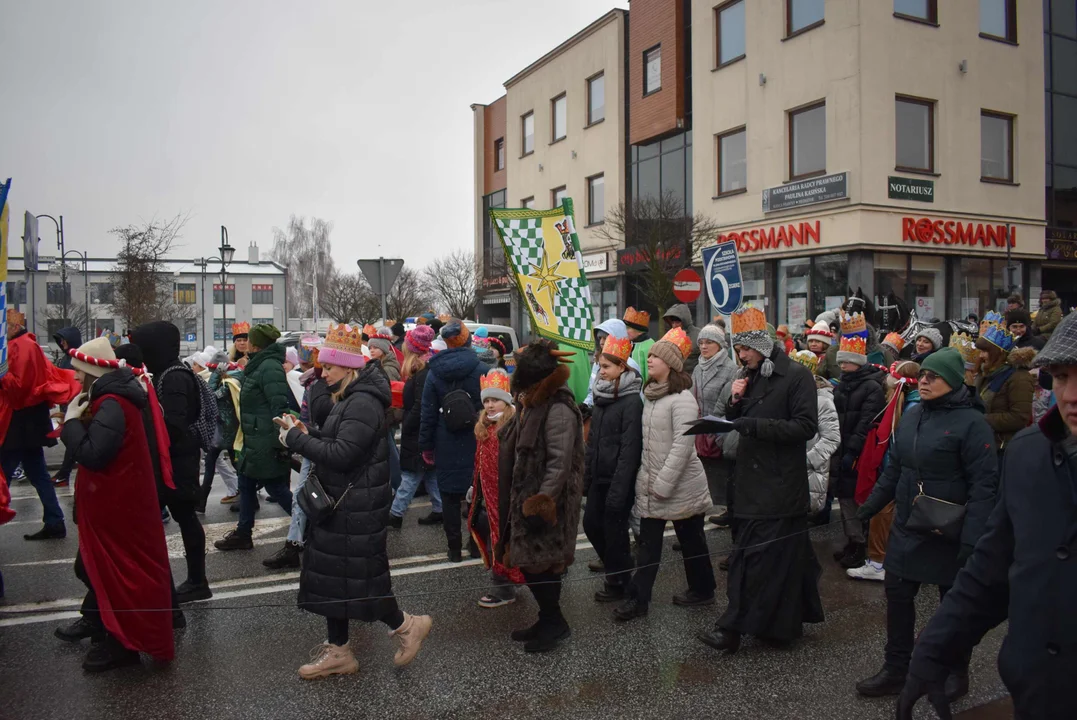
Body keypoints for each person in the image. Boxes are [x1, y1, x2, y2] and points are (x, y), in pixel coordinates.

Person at [896, 312, 1077, 720]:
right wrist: (933, 652)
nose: (1069, 396)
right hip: (1038, 692)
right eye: (1062, 377)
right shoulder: (1029, 455)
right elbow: (991, 569)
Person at [279, 323, 432, 679]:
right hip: (345, 504)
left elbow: (344, 453)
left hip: (354, 508)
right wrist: (305, 432)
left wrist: (297, 443)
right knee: (337, 581)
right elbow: (339, 440)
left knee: (360, 581)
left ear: (348, 368)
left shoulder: (361, 401)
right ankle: (340, 652)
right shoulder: (349, 397)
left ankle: (407, 626)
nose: (323, 372)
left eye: (329, 367)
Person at [855, 347, 999, 700]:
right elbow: (896, 469)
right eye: (923, 375)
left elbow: (985, 486)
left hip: (951, 529)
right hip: (909, 523)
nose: (925, 380)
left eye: (933, 376)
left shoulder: (973, 423)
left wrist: (972, 539)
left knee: (953, 605)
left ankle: (954, 670)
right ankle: (895, 669)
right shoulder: (914, 415)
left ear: (951, 380)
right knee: (898, 596)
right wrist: (868, 507)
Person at [698, 306, 823, 653]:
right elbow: (741, 418)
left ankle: (732, 629)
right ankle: (778, 626)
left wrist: (752, 425)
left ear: (764, 346)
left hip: (780, 487)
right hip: (750, 484)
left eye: (747, 348)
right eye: (738, 348)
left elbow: (806, 427)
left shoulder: (797, 376)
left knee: (759, 560)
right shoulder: (750, 375)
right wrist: (736, 404)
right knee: (757, 559)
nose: (741, 355)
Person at [54, 336, 175, 672]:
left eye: (79, 372)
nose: (75, 378)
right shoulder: (112, 398)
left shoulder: (111, 402)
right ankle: (110, 632)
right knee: (106, 573)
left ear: (92, 371)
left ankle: (124, 644)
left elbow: (94, 454)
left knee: (121, 577)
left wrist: (71, 425)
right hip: (118, 506)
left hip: (118, 509)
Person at [613, 328, 715, 622]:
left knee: (693, 541)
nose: (650, 360)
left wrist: (663, 484)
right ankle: (638, 600)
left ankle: (703, 589)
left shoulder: (682, 399)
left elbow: (683, 446)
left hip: (678, 484)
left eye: (656, 356)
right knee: (648, 547)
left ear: (670, 364)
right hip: (653, 483)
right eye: (651, 356)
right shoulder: (653, 395)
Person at [497, 339, 585, 652]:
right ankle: (548, 618)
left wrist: (542, 501)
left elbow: (560, 462)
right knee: (531, 563)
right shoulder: (533, 403)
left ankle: (555, 623)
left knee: (543, 563)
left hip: (549, 504)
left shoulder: (558, 408)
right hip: (528, 498)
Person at [129, 321, 210, 604]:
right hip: (175, 457)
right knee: (181, 518)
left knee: (185, 518)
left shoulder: (174, 376)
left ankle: (197, 581)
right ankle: (192, 581)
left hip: (178, 459)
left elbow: (174, 424)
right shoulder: (167, 371)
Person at [215, 324, 294, 553]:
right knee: (246, 484)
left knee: (276, 488)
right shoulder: (258, 365)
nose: (245, 343)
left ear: (256, 344)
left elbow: (279, 405)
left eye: (248, 339)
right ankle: (243, 533)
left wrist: (275, 443)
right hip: (253, 437)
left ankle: (309, 527)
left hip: (265, 439)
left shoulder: (269, 367)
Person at [847, 360, 921, 583]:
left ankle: (878, 563)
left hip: (896, 472)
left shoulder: (910, 409)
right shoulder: (909, 404)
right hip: (894, 471)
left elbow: (901, 446)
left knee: (884, 514)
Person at [582, 335, 642, 604]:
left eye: (606, 367)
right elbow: (593, 441)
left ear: (622, 368)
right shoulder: (602, 396)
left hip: (619, 479)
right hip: (599, 476)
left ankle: (620, 581)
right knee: (591, 524)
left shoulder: (631, 402)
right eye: (600, 366)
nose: (601, 371)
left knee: (615, 531)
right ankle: (617, 570)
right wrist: (587, 475)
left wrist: (620, 488)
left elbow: (629, 450)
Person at [0, 309, 70, 540]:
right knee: (36, 472)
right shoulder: (25, 345)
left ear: (12, 326)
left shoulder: (22, 346)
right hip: (26, 420)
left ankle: (54, 520)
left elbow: (20, 388)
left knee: (6, 471)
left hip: (19, 420)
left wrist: (2, 374)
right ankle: (54, 520)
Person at [419, 319, 484, 562]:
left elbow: (427, 413)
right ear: (468, 340)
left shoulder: (434, 373)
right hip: (475, 439)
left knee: (448, 496)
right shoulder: (480, 369)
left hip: (444, 439)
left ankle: (453, 549)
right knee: (476, 494)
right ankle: (476, 544)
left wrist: (426, 446)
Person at [264, 336, 331, 570]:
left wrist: (306, 433)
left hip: (321, 446)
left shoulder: (320, 383)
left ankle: (299, 545)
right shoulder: (312, 382)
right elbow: (308, 416)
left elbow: (326, 418)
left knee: (309, 495)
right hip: (314, 443)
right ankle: (296, 544)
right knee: (306, 495)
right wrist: (298, 428)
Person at [830, 313, 887, 570]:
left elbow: (865, 423)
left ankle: (860, 543)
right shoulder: (843, 384)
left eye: (846, 363)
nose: (842, 367)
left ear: (858, 362)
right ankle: (851, 540)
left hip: (857, 452)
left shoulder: (871, 388)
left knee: (856, 497)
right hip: (840, 446)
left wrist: (852, 452)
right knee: (843, 497)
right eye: (840, 363)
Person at [468, 369, 525, 608]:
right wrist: (475, 486)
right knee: (493, 538)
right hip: (486, 495)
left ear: (507, 400)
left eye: (495, 400)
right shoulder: (484, 426)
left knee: (503, 540)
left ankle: (504, 589)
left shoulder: (512, 425)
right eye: (487, 400)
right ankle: (507, 582)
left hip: (506, 496)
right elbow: (479, 461)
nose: (490, 405)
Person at [391, 326, 443, 527]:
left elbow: (420, 406)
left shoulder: (422, 373)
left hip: (418, 432)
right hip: (421, 431)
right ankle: (440, 509)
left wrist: (405, 420)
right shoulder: (423, 370)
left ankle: (395, 514)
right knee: (429, 473)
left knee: (411, 476)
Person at [691, 324, 737, 512]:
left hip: (719, 433)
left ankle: (729, 513)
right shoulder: (697, 368)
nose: (704, 346)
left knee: (722, 483)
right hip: (700, 433)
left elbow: (730, 406)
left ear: (719, 344)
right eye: (701, 342)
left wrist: (718, 437)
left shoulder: (730, 369)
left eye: (709, 342)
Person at [791, 351, 840, 519]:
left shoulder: (822, 400)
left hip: (809, 469)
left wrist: (808, 460)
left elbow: (832, 437)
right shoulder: (788, 394)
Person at [202, 351, 242, 508]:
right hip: (229, 430)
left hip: (224, 431)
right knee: (235, 463)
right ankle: (247, 496)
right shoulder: (233, 380)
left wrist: (216, 376)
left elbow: (210, 396)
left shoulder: (227, 384)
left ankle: (201, 500)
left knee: (212, 463)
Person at [49, 326, 83, 487]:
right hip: (67, 402)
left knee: (71, 438)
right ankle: (67, 471)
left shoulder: (75, 358)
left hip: (73, 402)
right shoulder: (66, 358)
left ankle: (65, 472)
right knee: (69, 437)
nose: (62, 343)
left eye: (64, 339)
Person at [662, 304, 700, 374]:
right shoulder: (669, 336)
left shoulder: (699, 335)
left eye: (677, 322)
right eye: (672, 322)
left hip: (693, 378)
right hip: (674, 378)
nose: (674, 325)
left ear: (685, 320)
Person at [624, 308, 654, 384]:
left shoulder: (649, 346)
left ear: (639, 332)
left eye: (628, 328)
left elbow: (650, 376)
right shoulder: (629, 343)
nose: (625, 331)